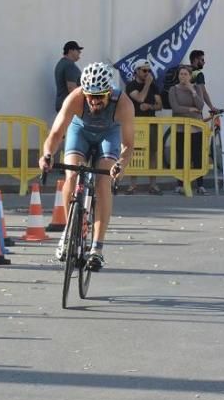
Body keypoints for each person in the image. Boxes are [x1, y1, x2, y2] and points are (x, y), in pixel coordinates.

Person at [39, 62, 134, 270]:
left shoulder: (123, 103)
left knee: (103, 181)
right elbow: (55, 134)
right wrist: (47, 154)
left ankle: (97, 248)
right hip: (79, 132)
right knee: (71, 176)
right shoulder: (76, 98)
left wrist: (121, 164)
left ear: (109, 91)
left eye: (99, 96)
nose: (94, 101)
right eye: (90, 95)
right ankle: (69, 231)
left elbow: (128, 145)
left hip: (108, 135)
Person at [125, 59, 162, 194]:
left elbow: (159, 105)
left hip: (151, 122)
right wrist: (147, 84)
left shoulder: (154, 86)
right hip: (136, 123)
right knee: (133, 152)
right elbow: (140, 98)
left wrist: (150, 106)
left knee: (152, 152)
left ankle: (153, 184)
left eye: (149, 70)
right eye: (144, 70)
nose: (147, 73)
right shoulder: (131, 85)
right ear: (137, 71)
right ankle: (133, 185)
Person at [169, 65, 206, 195]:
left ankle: (200, 184)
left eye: (185, 74)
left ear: (190, 76)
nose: (183, 76)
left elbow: (201, 106)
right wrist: (190, 109)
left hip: (196, 128)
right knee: (181, 156)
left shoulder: (196, 88)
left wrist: (192, 91)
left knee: (197, 156)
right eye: (181, 74)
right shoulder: (173, 90)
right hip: (180, 128)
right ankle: (180, 184)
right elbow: (175, 108)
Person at [54, 40, 83, 112]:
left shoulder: (61, 63)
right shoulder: (69, 65)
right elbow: (71, 88)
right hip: (70, 106)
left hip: (64, 105)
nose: (80, 52)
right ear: (71, 51)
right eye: (77, 50)